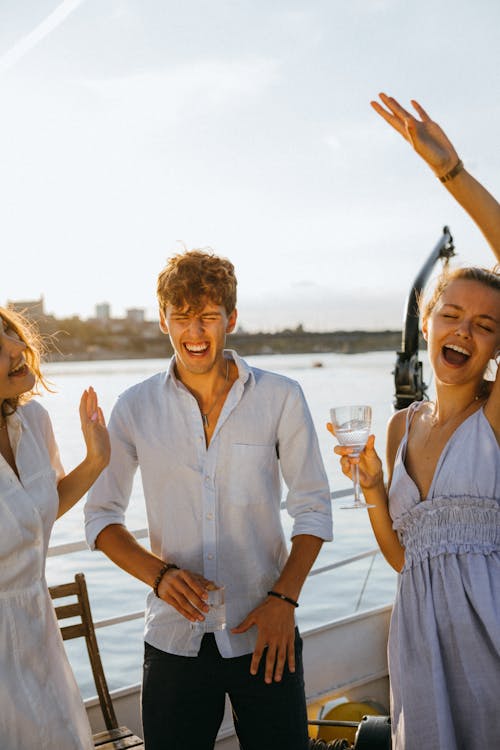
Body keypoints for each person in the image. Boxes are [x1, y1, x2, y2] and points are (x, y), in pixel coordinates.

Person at [84, 250, 333, 750]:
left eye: (207, 317)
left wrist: (284, 600)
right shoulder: (133, 407)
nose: (194, 332)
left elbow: (313, 507)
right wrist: (159, 575)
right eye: (181, 317)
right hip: (174, 639)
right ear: (163, 322)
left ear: (231, 319)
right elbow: (100, 517)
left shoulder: (281, 396)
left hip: (268, 630)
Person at [329, 94, 500, 749]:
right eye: (451, 314)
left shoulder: (495, 414)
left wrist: (451, 172)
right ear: (427, 321)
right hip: (419, 646)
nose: (465, 331)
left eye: (486, 326)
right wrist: (373, 490)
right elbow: (406, 560)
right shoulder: (401, 427)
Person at [0, 307, 110, 749]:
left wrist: (96, 460)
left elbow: (33, 516)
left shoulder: (34, 421)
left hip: (38, 633)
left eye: (10, 332)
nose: (17, 346)